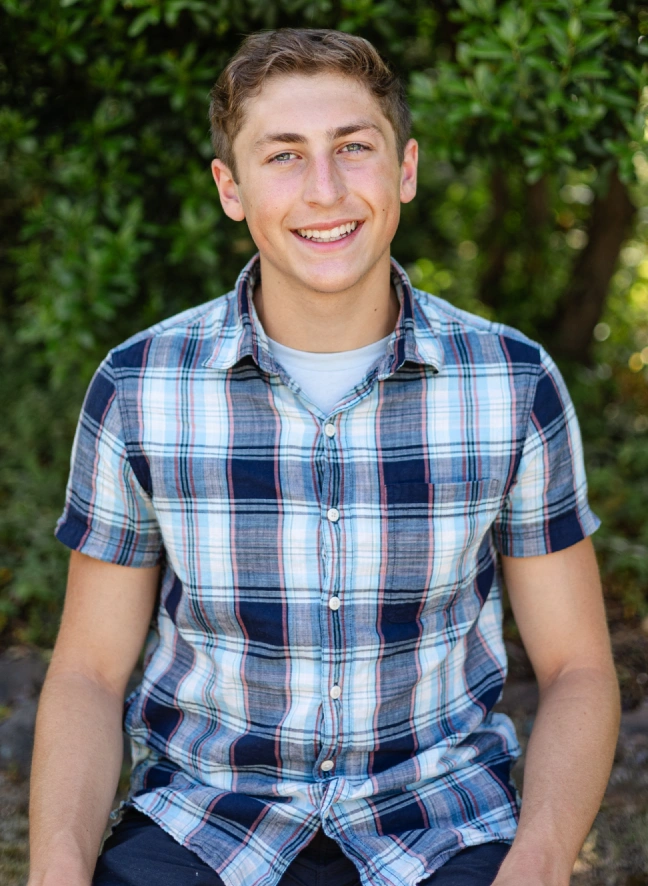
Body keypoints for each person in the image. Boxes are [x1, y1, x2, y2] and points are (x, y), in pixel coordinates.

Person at [28, 27, 620, 886]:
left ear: (405, 170)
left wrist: (539, 861)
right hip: (202, 822)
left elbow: (577, 667)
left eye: (354, 148)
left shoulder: (513, 383)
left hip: (444, 824)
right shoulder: (139, 386)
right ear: (231, 189)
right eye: (284, 156)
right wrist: (56, 870)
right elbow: (87, 672)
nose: (326, 189)